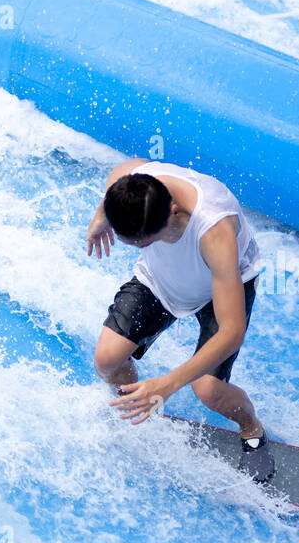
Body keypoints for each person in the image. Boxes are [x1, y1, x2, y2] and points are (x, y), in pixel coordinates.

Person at [86, 157, 274, 482]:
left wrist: (167, 384)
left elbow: (231, 332)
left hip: (221, 287)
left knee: (209, 391)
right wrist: (101, 218)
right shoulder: (135, 182)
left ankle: (252, 430)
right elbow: (121, 173)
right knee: (106, 361)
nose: (139, 246)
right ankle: (139, 405)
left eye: (146, 241)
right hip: (161, 281)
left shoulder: (215, 231)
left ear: (172, 210)